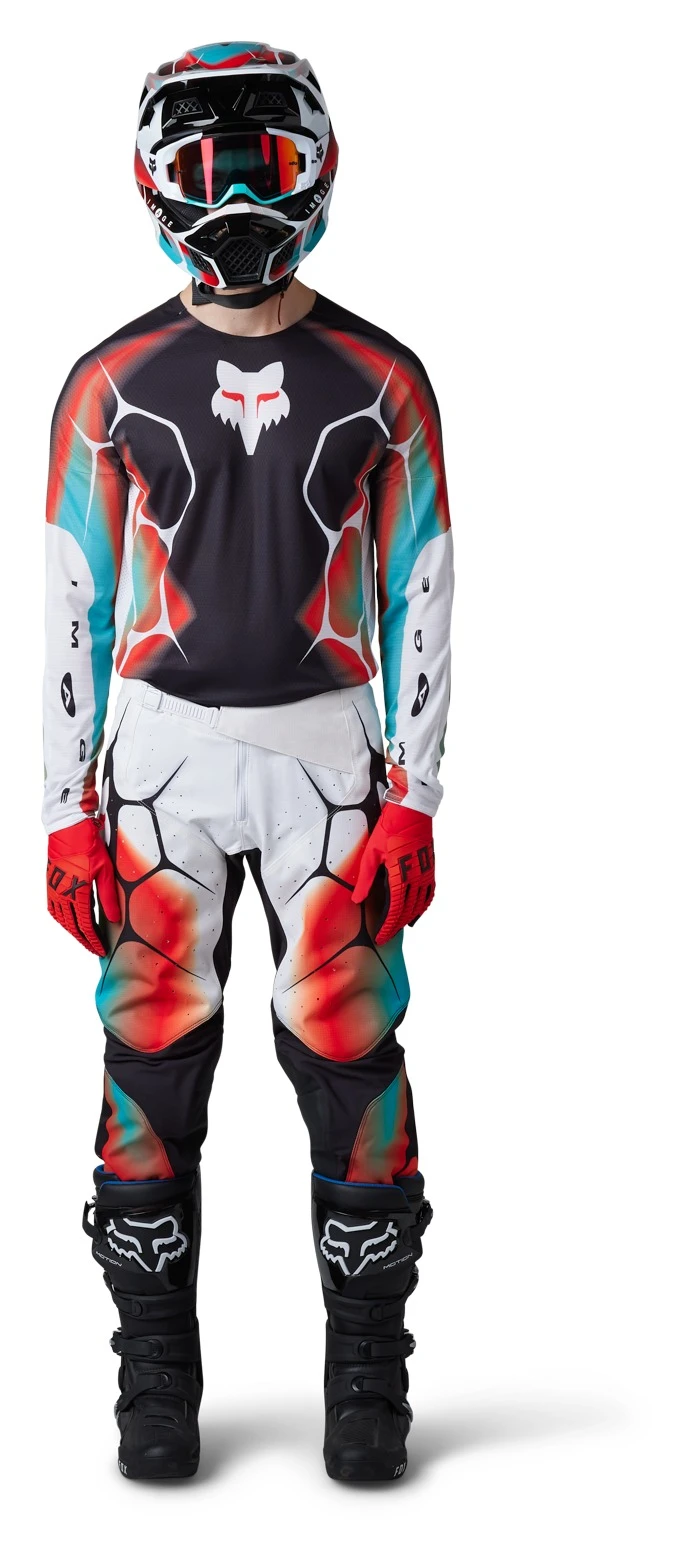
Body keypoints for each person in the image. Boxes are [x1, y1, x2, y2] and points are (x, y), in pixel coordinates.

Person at [44, 41, 453, 1484]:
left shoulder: (383, 380)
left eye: (262, 161)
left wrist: (417, 793)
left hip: (327, 760)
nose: (234, 195)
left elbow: (424, 585)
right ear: (158, 177)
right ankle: (152, 1380)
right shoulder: (108, 383)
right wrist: (60, 812)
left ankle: (367, 1378)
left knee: (351, 1056)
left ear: (316, 166)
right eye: (208, 165)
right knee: (150, 1064)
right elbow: (72, 597)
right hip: (165, 760)